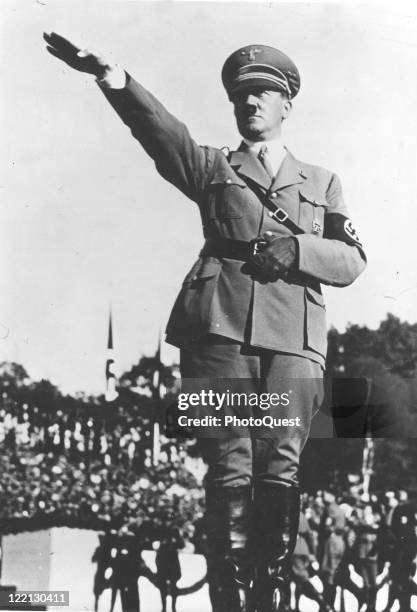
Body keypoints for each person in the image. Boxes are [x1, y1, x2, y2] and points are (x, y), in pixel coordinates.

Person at [43, 33, 366, 612]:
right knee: (230, 462)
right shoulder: (214, 165)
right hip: (218, 329)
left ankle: (270, 604)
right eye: (243, 94)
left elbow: (351, 261)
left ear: (287, 104)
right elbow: (163, 135)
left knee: (281, 464)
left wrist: (297, 251)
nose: (252, 102)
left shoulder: (323, 182)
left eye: (265, 92)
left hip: (295, 338)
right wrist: (115, 78)